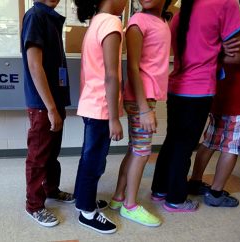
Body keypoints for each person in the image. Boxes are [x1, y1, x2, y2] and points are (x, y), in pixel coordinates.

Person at [151, 0, 240, 212]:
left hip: (176, 87)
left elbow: (192, 47)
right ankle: (176, 199)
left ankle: (160, 190)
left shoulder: (180, 11)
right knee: (184, 145)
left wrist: (215, 47)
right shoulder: (225, 3)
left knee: (173, 141)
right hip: (199, 89)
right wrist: (220, 50)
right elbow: (237, 56)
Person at [188, 0, 240, 206]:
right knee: (233, 145)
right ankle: (215, 193)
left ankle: (195, 181)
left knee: (211, 140)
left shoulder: (237, 18)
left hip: (224, 90)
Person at [109, 0, 172, 227]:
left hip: (147, 97)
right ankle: (130, 205)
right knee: (143, 153)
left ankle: (118, 198)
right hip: (140, 99)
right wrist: (145, 108)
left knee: (135, 150)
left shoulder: (163, 21)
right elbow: (132, 67)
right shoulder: (137, 21)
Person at [73, 0, 126, 234]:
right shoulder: (111, 22)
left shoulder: (96, 22)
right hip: (101, 108)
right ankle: (87, 211)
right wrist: (114, 118)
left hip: (91, 104)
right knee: (94, 161)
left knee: (89, 157)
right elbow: (111, 76)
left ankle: (83, 199)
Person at [21, 0, 75, 227]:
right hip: (44, 104)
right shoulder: (35, 16)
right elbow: (35, 66)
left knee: (51, 153)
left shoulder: (50, 17)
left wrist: (56, 106)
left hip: (54, 101)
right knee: (38, 157)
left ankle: (51, 190)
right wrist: (51, 109)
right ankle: (33, 205)